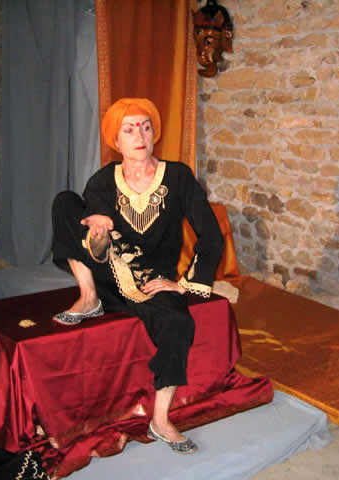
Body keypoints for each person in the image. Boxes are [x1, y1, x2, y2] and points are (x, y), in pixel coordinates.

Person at [51, 98, 224, 454]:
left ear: (154, 132)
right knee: (65, 201)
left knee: (178, 323)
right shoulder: (103, 181)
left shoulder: (178, 177)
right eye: (128, 129)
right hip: (107, 278)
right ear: (115, 139)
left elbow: (211, 233)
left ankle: (160, 420)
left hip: (150, 283)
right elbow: (96, 250)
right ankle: (88, 297)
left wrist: (183, 284)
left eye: (145, 127)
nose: (139, 136)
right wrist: (98, 237)